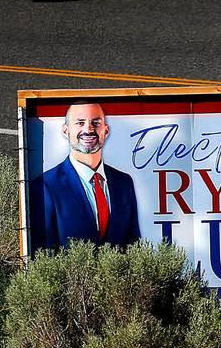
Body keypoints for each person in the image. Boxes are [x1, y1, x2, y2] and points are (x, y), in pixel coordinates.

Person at [30, 100, 141, 252]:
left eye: (96, 123)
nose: (88, 129)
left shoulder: (124, 183)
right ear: (65, 130)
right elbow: (43, 253)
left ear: (106, 131)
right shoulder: (45, 186)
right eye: (80, 123)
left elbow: (134, 246)